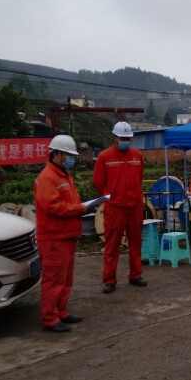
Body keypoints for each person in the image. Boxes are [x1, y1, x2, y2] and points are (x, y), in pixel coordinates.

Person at [34, 135, 93, 332]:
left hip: (66, 236)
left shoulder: (63, 175)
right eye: (68, 155)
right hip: (53, 238)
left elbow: (68, 202)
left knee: (65, 278)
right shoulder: (48, 177)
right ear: (57, 154)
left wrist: (80, 207)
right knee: (54, 279)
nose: (71, 159)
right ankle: (50, 318)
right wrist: (80, 209)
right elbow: (54, 207)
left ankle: (61, 311)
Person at [93, 121, 148, 294]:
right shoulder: (104, 157)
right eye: (122, 138)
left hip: (134, 207)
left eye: (128, 138)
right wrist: (111, 197)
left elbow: (139, 178)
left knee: (136, 243)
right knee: (112, 245)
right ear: (115, 138)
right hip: (115, 208)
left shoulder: (137, 156)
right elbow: (98, 182)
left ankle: (136, 275)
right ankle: (109, 280)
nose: (125, 141)